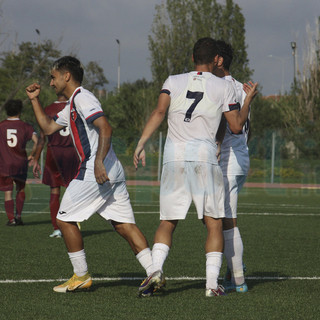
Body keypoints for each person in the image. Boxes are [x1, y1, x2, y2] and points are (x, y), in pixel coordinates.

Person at [134, 37, 258, 297]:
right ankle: (212, 285)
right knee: (214, 223)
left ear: (192, 59)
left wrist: (141, 143)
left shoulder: (173, 80)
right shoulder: (223, 86)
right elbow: (236, 126)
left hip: (173, 157)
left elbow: (159, 112)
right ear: (216, 60)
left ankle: (155, 270)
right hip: (204, 156)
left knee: (167, 221)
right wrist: (248, 101)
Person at [26, 56, 152, 293]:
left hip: (97, 169)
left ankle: (81, 275)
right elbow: (47, 127)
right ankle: (154, 272)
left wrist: (98, 163)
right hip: (111, 169)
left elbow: (106, 127)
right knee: (124, 225)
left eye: (53, 78)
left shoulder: (83, 97)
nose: (51, 83)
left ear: (66, 76)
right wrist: (34, 100)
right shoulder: (72, 104)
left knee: (63, 219)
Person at [213, 40, 255, 293]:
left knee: (226, 221)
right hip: (240, 157)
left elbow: (228, 124)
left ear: (218, 60)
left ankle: (238, 279)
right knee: (217, 219)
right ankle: (233, 266)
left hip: (227, 159)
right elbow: (249, 128)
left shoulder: (219, 87)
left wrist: (217, 147)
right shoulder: (242, 87)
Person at [33, 94, 80, 238]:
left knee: (54, 191)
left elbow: (42, 138)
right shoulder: (75, 108)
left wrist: (35, 159)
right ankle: (72, 224)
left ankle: (57, 228)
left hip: (53, 153)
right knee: (72, 191)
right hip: (72, 153)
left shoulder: (47, 109)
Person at [0, 99, 38, 226]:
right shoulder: (25, 126)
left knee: (8, 192)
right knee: (20, 189)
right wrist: (32, 155)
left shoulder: (1, 125)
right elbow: (37, 141)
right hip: (21, 163)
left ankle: (11, 220)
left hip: (5, 164)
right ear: (20, 111)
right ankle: (19, 217)